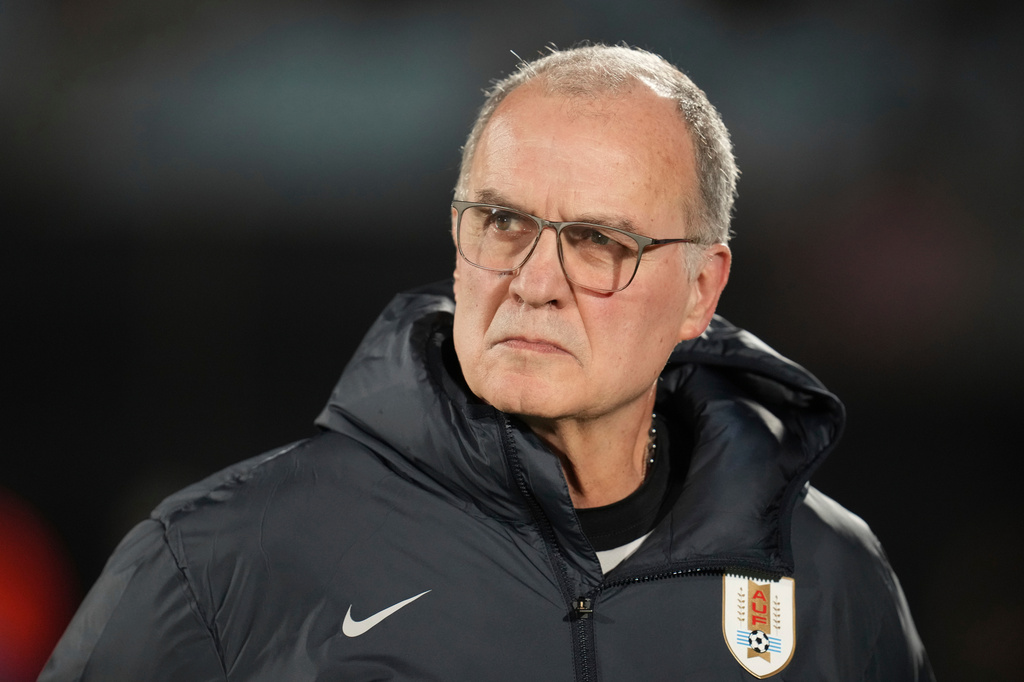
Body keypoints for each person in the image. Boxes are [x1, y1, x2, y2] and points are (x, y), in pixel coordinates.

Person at [41, 44, 934, 681]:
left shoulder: (828, 575)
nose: (534, 282)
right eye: (503, 223)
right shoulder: (216, 563)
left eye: (597, 241)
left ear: (701, 291)